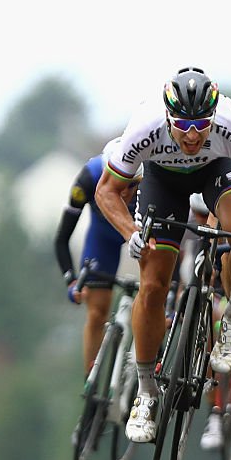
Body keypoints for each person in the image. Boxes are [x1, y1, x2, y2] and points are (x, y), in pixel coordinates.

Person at [96, 67, 231, 444]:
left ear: (214, 116)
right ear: (167, 116)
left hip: (216, 173)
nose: (192, 135)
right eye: (182, 125)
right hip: (163, 182)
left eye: (201, 125)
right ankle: (146, 393)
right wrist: (130, 232)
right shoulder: (144, 126)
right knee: (153, 284)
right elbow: (106, 191)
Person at [55, 137, 142, 378]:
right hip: (103, 239)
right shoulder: (89, 177)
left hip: (140, 234)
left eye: (131, 185)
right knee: (96, 311)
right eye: (116, 183)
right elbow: (62, 238)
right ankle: (90, 383)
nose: (123, 193)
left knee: (153, 292)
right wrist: (71, 280)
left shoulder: (149, 183)